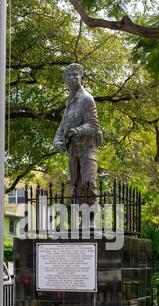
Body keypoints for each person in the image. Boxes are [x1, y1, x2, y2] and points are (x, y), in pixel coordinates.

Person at [53, 63, 102, 205]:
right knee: (76, 185)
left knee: (88, 182)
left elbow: (93, 125)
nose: (73, 77)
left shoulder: (86, 99)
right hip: (72, 150)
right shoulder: (69, 102)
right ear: (65, 80)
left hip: (87, 147)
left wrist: (77, 131)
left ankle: (91, 218)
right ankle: (81, 217)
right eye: (69, 75)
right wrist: (57, 142)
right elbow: (62, 127)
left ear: (81, 78)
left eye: (76, 75)